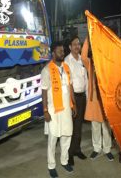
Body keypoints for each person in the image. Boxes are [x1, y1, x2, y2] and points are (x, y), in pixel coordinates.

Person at [41, 41, 77, 178]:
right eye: (60, 51)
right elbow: (44, 91)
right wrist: (45, 110)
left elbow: (70, 87)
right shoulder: (46, 70)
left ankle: (64, 161)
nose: (62, 53)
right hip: (53, 110)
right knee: (53, 138)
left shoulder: (67, 68)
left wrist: (74, 104)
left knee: (67, 135)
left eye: (63, 51)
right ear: (53, 53)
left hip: (67, 108)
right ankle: (51, 165)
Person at [81, 37, 114, 161]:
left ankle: (107, 149)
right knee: (95, 125)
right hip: (94, 99)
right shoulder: (90, 64)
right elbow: (83, 56)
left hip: (105, 99)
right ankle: (96, 148)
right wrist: (88, 39)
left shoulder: (108, 63)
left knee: (106, 126)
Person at [64, 36, 88, 165]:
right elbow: (69, 84)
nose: (77, 46)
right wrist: (72, 103)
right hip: (72, 97)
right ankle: (69, 153)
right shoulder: (67, 61)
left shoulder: (82, 60)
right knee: (71, 127)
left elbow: (86, 79)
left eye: (79, 44)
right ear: (69, 47)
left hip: (82, 96)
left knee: (79, 126)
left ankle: (77, 149)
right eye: (74, 44)